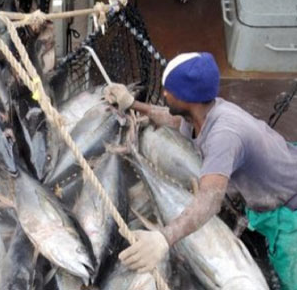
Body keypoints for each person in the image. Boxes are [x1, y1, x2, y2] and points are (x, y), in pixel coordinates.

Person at [104, 52, 297, 290]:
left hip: (289, 210)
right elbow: (174, 119)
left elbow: (210, 200)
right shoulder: (206, 111)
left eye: (169, 91)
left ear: (188, 99)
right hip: (272, 182)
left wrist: (164, 238)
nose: (164, 94)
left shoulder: (224, 136)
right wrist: (133, 105)